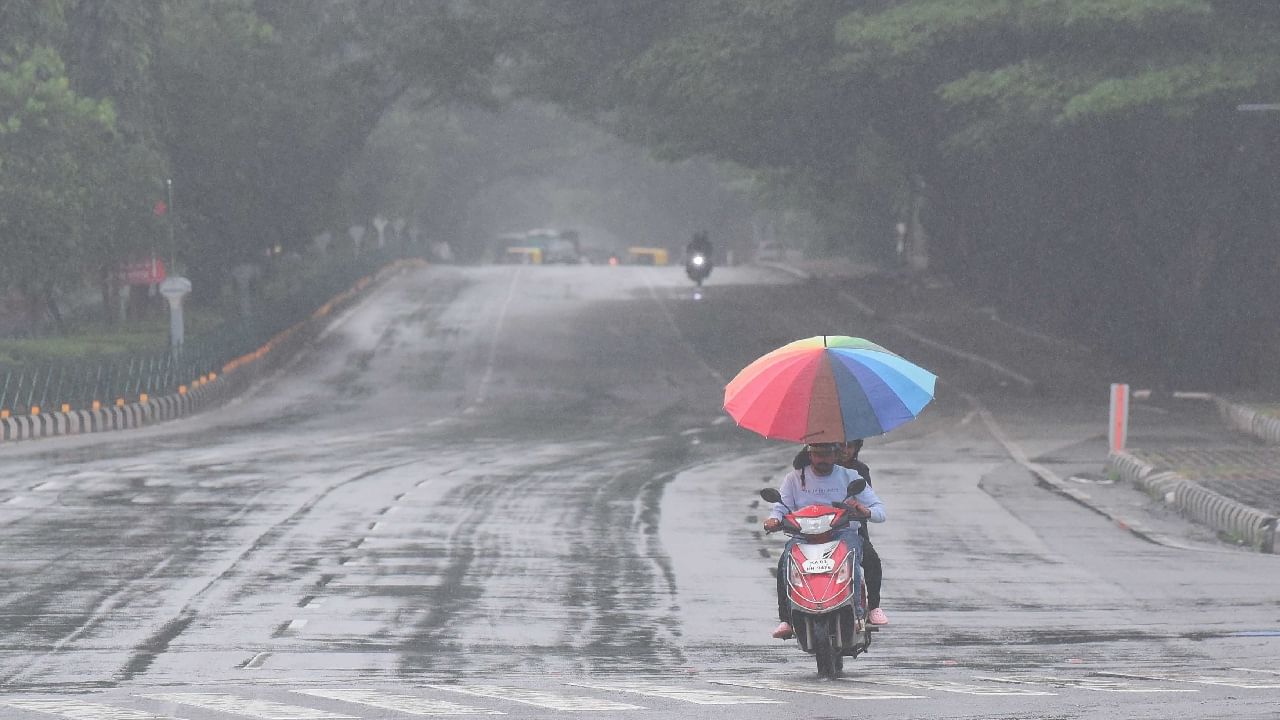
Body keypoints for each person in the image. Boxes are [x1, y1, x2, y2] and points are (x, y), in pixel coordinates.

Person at [764, 442, 886, 639]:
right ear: (809, 454)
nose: (822, 460)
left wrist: (865, 511)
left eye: (827, 454)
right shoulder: (793, 479)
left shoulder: (851, 477)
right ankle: (786, 618)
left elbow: (880, 511)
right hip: (803, 536)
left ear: (835, 454)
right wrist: (774, 520)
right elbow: (780, 507)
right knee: (785, 563)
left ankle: (862, 612)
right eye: (818, 454)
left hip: (843, 534)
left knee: (861, 558)